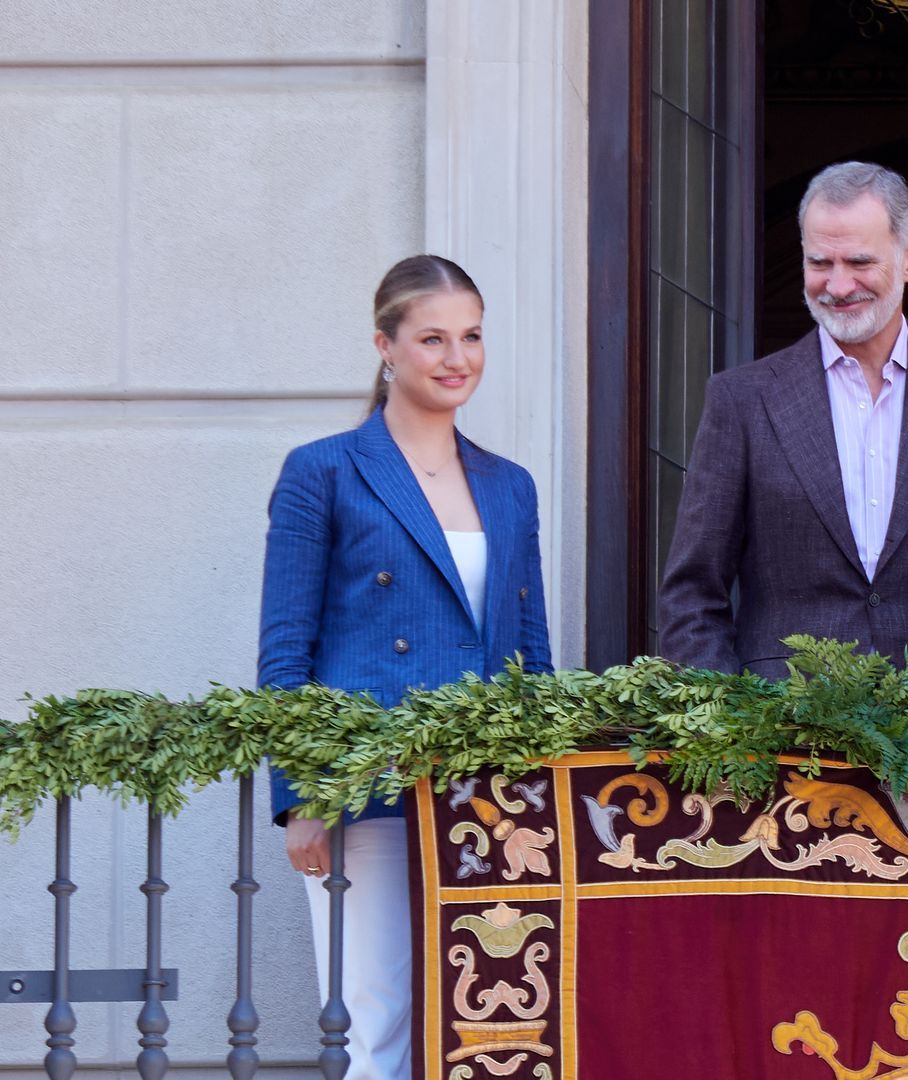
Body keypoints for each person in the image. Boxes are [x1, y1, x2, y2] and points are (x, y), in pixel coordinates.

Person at [257, 255, 552, 1078]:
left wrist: (536, 795)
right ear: (386, 346)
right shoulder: (324, 471)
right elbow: (286, 651)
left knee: (484, 1026)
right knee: (376, 1027)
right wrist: (302, 798)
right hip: (366, 789)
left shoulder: (511, 485)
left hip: (486, 796)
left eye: (472, 336)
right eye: (433, 338)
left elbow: (533, 653)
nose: (457, 357)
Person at [658, 161, 908, 679]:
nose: (838, 285)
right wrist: (729, 723)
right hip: (779, 737)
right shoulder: (741, 399)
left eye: (859, 262)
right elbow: (692, 594)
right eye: (819, 262)